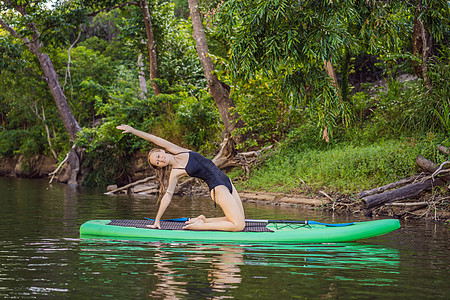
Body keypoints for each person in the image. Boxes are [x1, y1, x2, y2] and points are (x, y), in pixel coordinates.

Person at [116, 124, 246, 232]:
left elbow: (154, 139)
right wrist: (157, 221)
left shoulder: (178, 150)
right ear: (160, 166)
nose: (160, 160)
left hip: (227, 182)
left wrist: (133, 131)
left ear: (162, 151)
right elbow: (167, 196)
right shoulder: (175, 172)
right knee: (239, 225)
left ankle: (204, 220)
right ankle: (200, 226)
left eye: (158, 156)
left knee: (241, 220)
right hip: (218, 189)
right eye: (158, 163)